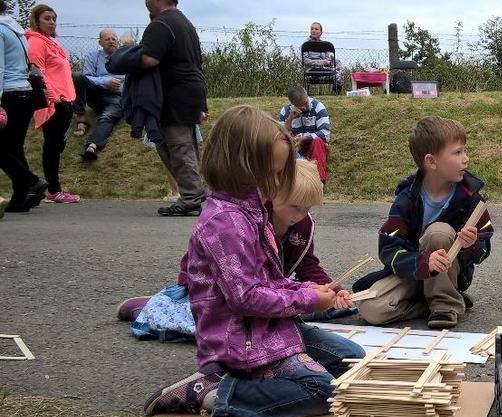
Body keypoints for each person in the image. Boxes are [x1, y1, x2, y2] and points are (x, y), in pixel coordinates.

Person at [143, 106, 361, 417]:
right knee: (324, 391)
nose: (277, 182)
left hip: (268, 330)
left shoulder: (253, 212)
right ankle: (217, 389)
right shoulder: (226, 224)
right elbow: (246, 297)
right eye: (273, 174)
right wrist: (307, 299)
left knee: (350, 359)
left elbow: (270, 278)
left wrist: (306, 288)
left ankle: (266, 377)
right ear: (242, 168)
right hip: (241, 345)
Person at [118, 158, 361, 336]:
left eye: (308, 208)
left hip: (267, 292)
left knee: (327, 307)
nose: (301, 214)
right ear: (272, 195)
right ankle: (153, 305)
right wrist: (189, 289)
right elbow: (204, 268)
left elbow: (308, 264)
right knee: (218, 329)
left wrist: (334, 289)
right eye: (295, 206)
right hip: (226, 293)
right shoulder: (247, 223)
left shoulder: (304, 224)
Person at [352, 116, 494, 329]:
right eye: (457, 152)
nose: (466, 159)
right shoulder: (406, 199)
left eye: (464, 150)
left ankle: (445, 306)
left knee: (438, 232)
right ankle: (428, 304)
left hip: (448, 274)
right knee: (371, 309)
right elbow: (389, 249)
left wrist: (471, 244)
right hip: (413, 272)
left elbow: (483, 249)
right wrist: (422, 263)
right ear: (431, 162)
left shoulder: (470, 198)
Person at [138, 0, 208, 217]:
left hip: (174, 92)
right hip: (190, 88)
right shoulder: (184, 23)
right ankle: (194, 192)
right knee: (179, 145)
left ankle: (191, 197)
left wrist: (125, 57)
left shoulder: (162, 23)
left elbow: (148, 59)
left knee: (178, 145)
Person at [25, 4, 79, 204]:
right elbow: (37, 73)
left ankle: (53, 187)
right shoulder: (36, 42)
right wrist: (54, 98)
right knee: (52, 146)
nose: (51, 22)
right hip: (53, 102)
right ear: (37, 20)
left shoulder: (51, 43)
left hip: (65, 100)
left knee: (57, 146)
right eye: (47, 18)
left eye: (54, 19)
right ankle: (53, 190)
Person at [0, 0, 48, 214]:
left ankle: (30, 181)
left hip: (9, 93)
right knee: (14, 146)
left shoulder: (0, 30)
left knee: (2, 148)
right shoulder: (14, 29)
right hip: (25, 93)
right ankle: (20, 199)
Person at [72, 29, 126, 160]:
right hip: (97, 95)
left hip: (117, 97)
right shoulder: (93, 56)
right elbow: (87, 77)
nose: (111, 41)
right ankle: (81, 117)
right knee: (77, 76)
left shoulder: (125, 58)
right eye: (107, 39)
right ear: (100, 42)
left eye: (114, 39)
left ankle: (92, 146)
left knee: (107, 117)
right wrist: (105, 81)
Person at [278, 86, 330, 183]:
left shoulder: (318, 107)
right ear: (293, 104)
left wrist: (304, 138)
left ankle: (318, 181)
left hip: (314, 147)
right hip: (296, 148)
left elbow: (325, 133)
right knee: (282, 145)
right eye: (301, 106)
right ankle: (291, 182)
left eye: (306, 103)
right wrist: (289, 119)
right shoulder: (285, 111)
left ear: (306, 94)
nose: (305, 107)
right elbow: (280, 136)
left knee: (317, 141)